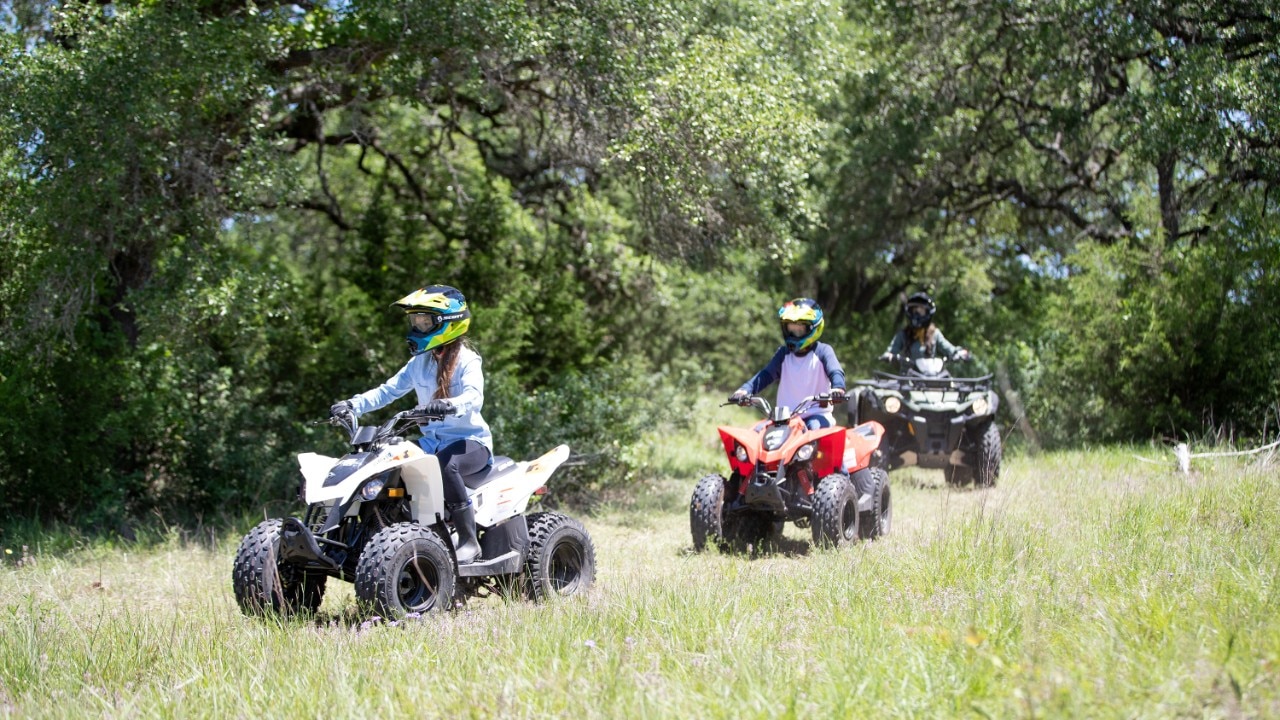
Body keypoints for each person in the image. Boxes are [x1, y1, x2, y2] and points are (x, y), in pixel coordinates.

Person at [329, 284, 491, 564]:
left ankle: (469, 541)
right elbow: (387, 391)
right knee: (389, 464)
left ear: (447, 323)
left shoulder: (467, 360)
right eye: (415, 321)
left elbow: (474, 397)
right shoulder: (419, 363)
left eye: (424, 321)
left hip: (470, 444)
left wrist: (449, 404)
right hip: (431, 444)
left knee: (444, 465)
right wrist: (352, 405)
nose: (417, 327)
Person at [730, 297, 847, 430]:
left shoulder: (823, 351)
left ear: (814, 328)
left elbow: (835, 371)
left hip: (817, 415)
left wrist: (838, 388)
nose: (794, 333)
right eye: (791, 328)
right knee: (757, 432)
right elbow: (765, 375)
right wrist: (745, 390)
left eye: (800, 329)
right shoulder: (783, 354)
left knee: (813, 430)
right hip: (784, 418)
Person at [880, 291, 971, 366]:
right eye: (915, 311)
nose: (917, 314)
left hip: (930, 378)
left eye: (921, 311)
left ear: (927, 313)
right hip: (907, 381)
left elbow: (948, 348)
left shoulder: (935, 333)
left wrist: (960, 352)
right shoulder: (903, 334)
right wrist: (889, 355)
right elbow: (892, 350)